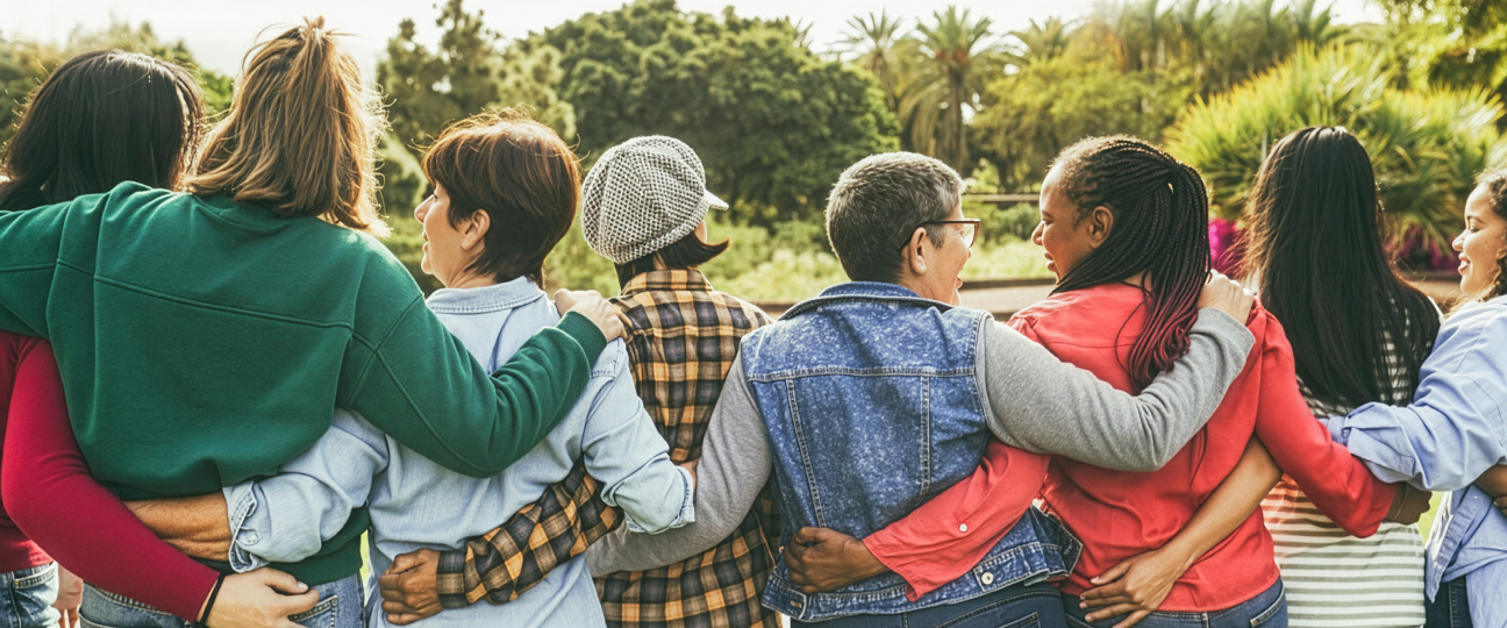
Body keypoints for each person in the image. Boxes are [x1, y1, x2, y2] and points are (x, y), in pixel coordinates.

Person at [378, 149, 1265, 628]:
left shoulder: (720, 348)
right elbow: (1134, 438)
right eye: (960, 230)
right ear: (917, 246)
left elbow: (688, 507)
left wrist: (491, 570)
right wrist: (1225, 326)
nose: (973, 245)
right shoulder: (964, 343)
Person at [0, 19, 622, 627]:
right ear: (349, 142)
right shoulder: (358, 275)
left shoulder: (105, 227)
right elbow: (482, 433)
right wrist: (579, 335)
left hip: (137, 585)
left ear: (238, 117)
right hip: (294, 593)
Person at [773, 137, 1429, 628]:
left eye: (1048, 219)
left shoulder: (1037, 331)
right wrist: (1387, 503)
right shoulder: (1238, 315)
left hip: (1107, 602)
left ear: (1098, 228)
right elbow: (1298, 451)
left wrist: (877, 555)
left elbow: (1004, 489)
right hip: (1246, 599)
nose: (1036, 236)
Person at [127, 114, 699, 628]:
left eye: (436, 196)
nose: (421, 211)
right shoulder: (590, 340)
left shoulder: (390, 347)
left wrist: (116, 518)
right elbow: (656, 503)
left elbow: (305, 509)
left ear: (475, 226)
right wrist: (696, 468)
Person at [0, 49, 329, 628]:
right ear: (139, 166)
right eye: (182, 152)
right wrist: (208, 598)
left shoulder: (15, 232)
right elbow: (40, 487)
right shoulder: (62, 289)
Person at [1243, 127, 1442, 628]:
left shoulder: (1254, 320)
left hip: (1288, 582)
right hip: (1393, 591)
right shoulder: (1418, 318)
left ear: (1274, 207)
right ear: (1364, 204)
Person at [1320, 167, 1507, 628]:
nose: (1458, 243)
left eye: (1475, 226)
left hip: (1487, 577)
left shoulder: (1489, 327)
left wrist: (1324, 426)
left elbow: (1435, 444)